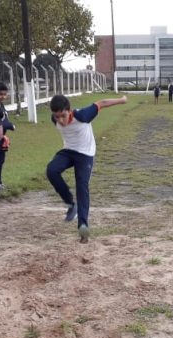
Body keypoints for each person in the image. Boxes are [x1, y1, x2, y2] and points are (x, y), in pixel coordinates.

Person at [47, 94, 127, 242]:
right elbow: (58, 119)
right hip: (69, 151)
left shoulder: (83, 115)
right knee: (51, 170)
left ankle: (83, 225)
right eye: (57, 117)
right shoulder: (54, 119)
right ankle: (71, 203)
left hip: (85, 154)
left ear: (69, 110)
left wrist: (121, 100)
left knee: (82, 185)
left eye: (63, 116)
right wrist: (57, 117)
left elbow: (102, 102)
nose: (60, 120)